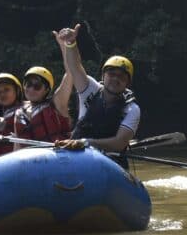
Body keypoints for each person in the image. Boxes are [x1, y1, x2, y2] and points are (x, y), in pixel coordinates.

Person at [50, 24, 140, 154]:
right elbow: (75, 67)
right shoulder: (90, 89)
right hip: (77, 155)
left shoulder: (132, 109)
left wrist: (86, 143)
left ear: (128, 82)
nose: (115, 79)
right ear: (103, 76)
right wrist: (71, 42)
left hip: (109, 161)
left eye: (121, 76)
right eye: (111, 74)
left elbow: (119, 143)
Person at [14, 66, 71, 147]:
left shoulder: (57, 104)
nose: (31, 89)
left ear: (47, 90)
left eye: (37, 86)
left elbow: (70, 72)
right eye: (28, 84)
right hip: (30, 158)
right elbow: (17, 146)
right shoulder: (19, 113)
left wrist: (66, 52)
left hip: (57, 155)